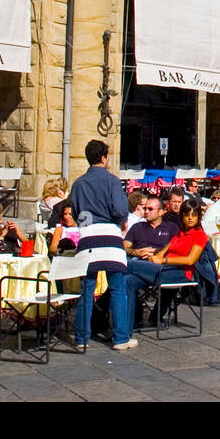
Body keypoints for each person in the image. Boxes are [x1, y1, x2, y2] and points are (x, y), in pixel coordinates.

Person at [69, 139, 134, 351]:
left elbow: (77, 213)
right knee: (117, 288)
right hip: (110, 236)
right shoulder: (112, 181)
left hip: (87, 236)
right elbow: (119, 209)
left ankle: (81, 338)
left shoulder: (78, 183)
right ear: (104, 158)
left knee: (86, 290)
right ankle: (120, 337)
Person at [123, 195, 181, 323]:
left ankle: (99, 311)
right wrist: (136, 252)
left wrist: (156, 253)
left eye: (150, 209)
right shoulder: (138, 227)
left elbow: (176, 248)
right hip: (139, 263)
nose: (146, 212)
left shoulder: (171, 228)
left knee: (121, 268)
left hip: (160, 267)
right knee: (126, 280)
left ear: (160, 212)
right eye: (145, 209)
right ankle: (135, 317)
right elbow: (125, 246)